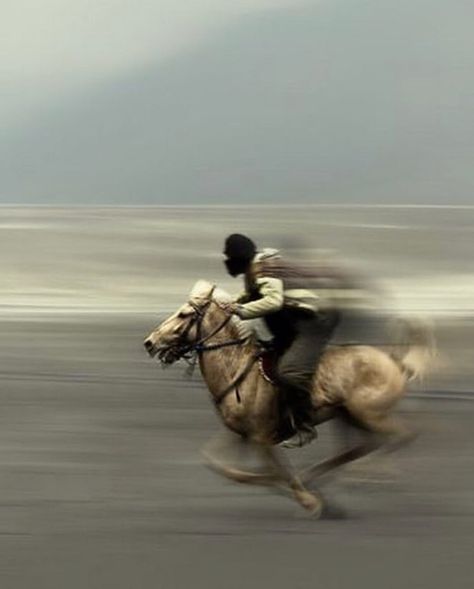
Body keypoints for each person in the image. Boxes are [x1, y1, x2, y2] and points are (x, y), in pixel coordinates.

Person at [223, 233, 340, 447]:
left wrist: (240, 310)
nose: (227, 262)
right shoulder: (255, 270)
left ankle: (305, 427)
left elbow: (274, 301)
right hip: (296, 325)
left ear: (238, 258)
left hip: (314, 323)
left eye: (229, 257)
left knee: (290, 372)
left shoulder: (264, 270)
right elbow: (251, 295)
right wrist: (230, 303)